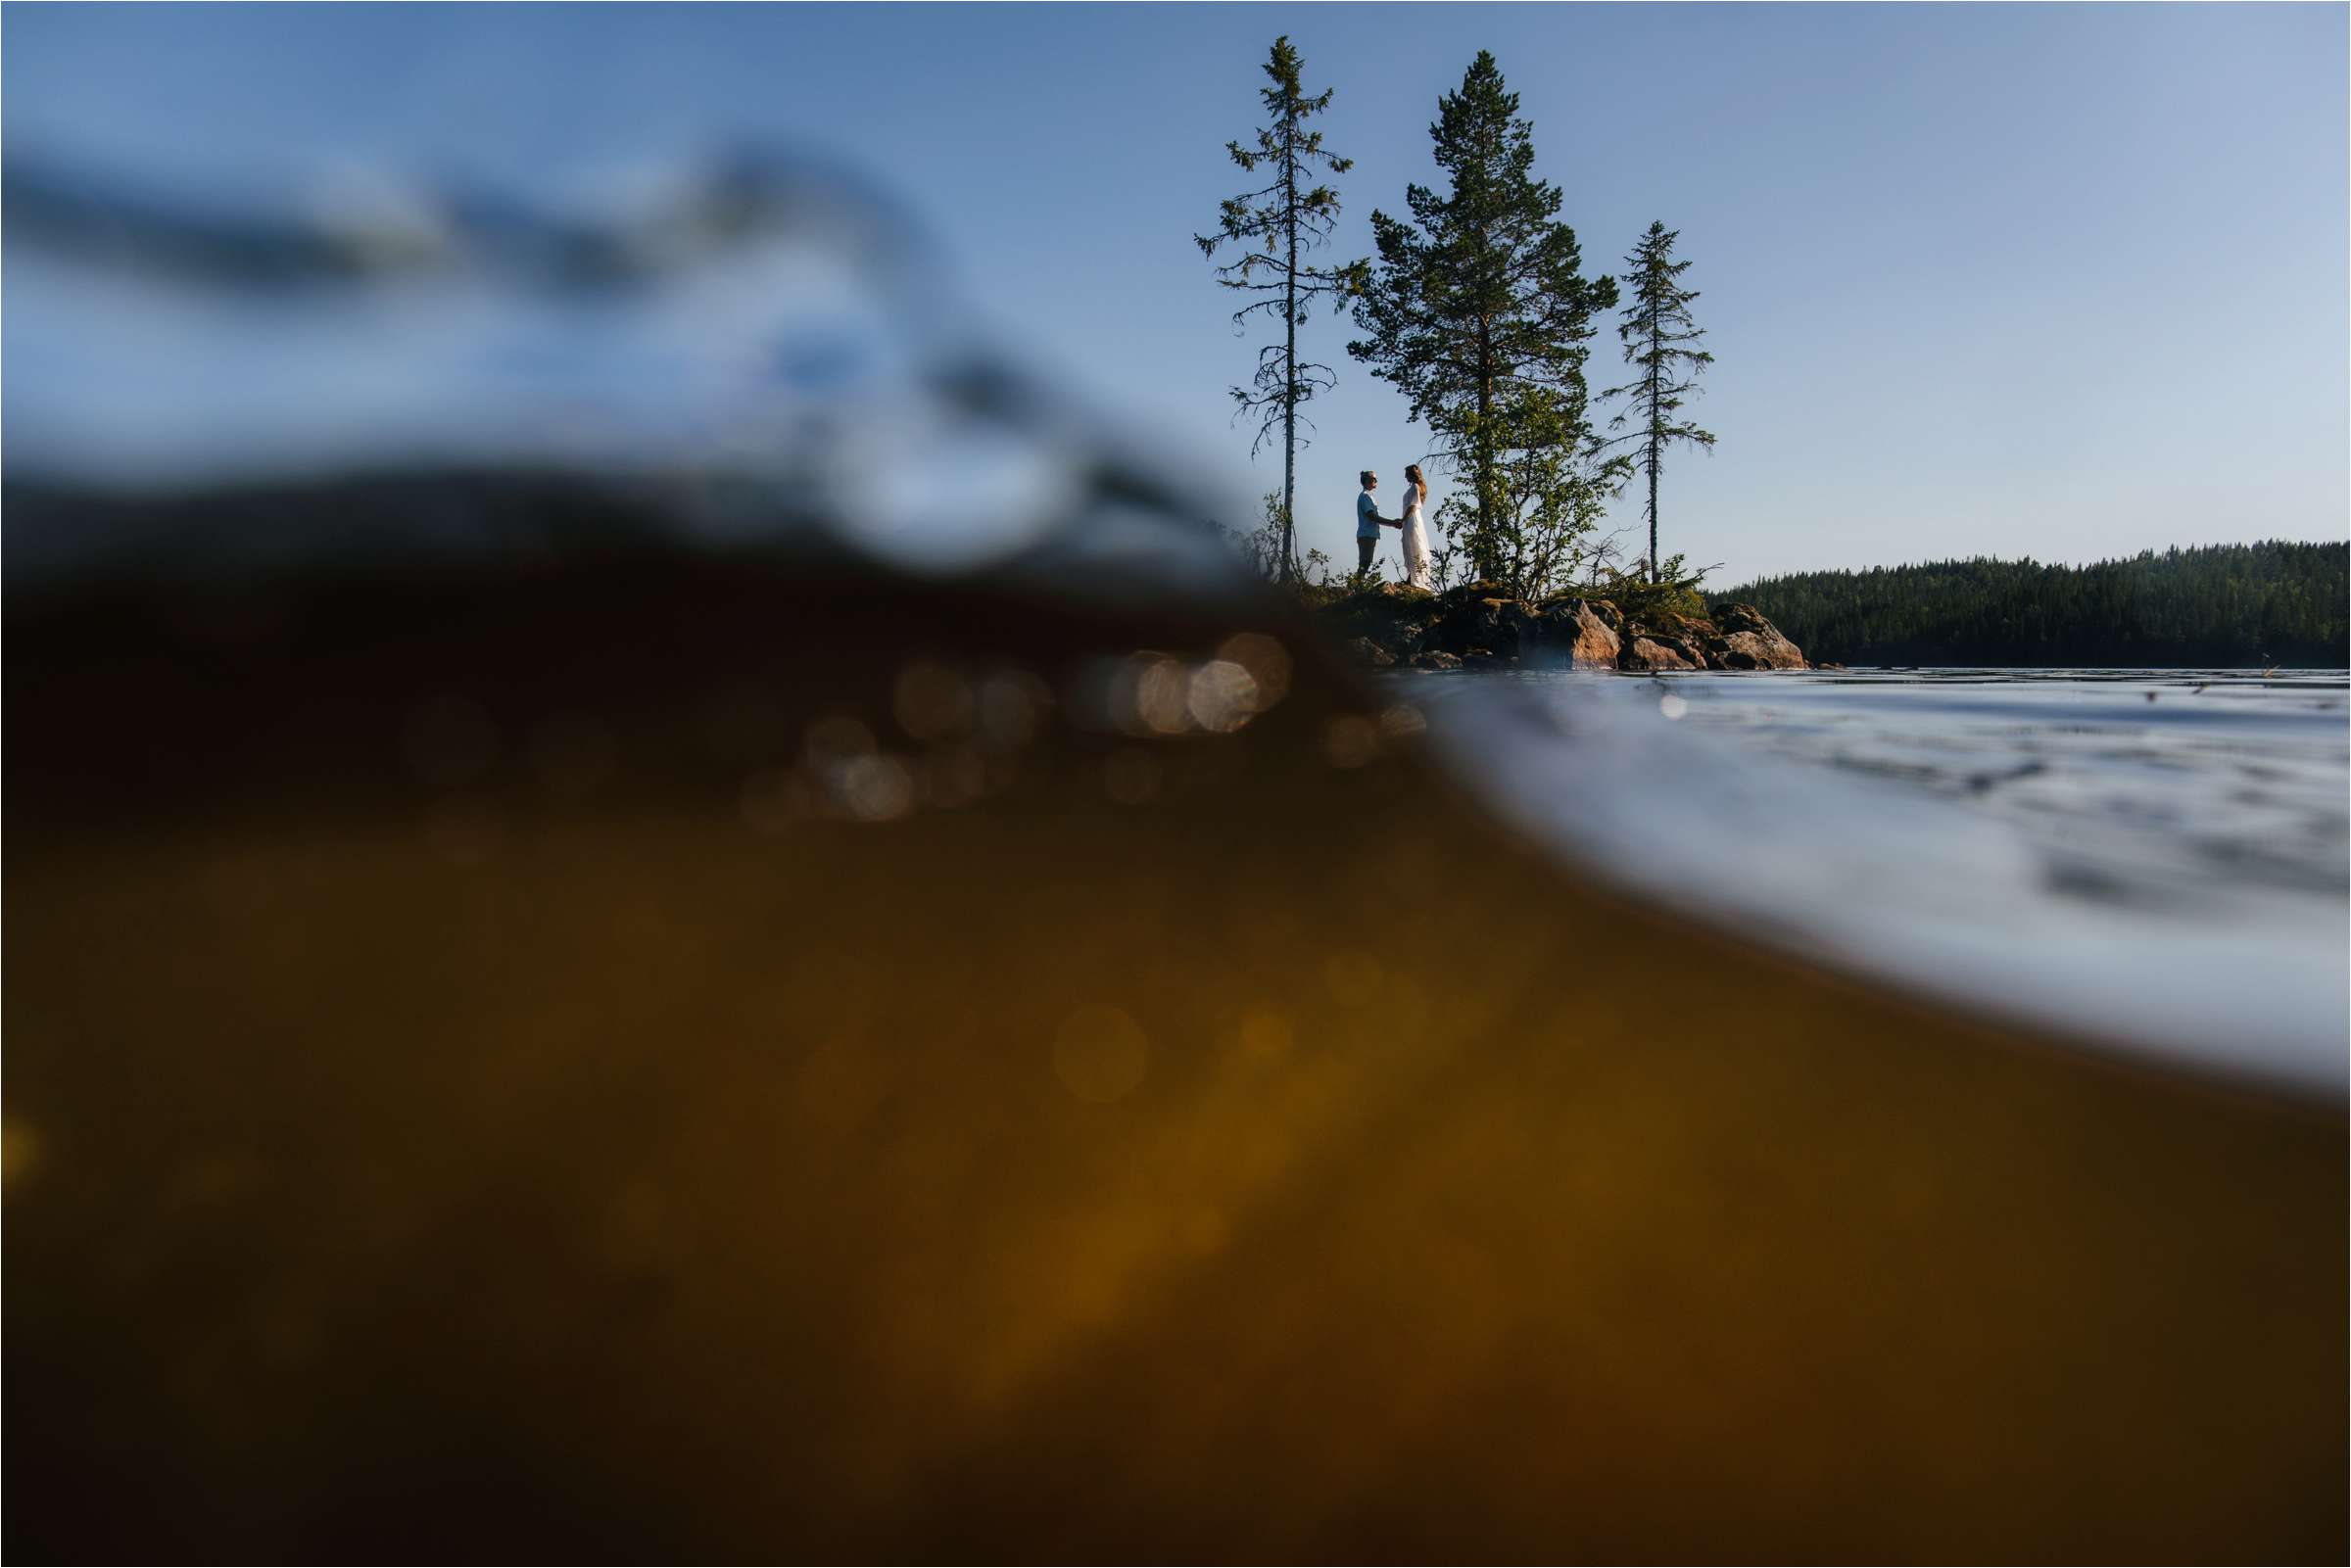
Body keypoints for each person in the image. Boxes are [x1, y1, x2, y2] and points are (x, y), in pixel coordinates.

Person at [1355, 470, 1399, 575]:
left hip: (1370, 534)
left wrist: (1392, 523)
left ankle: (1357, 586)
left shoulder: (1370, 496)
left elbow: (1375, 518)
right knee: (1364, 563)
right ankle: (1355, 587)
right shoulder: (1365, 496)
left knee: (1366, 563)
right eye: (1373, 479)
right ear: (1366, 480)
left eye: (1375, 479)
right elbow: (1372, 517)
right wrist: (1392, 523)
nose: (1375, 481)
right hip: (1366, 534)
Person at [1399, 463, 1432, 590]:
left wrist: (1403, 520)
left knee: (1414, 545)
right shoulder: (1414, 487)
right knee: (1411, 545)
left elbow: (1412, 506)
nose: (1405, 476)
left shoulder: (1415, 487)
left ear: (1411, 474)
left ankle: (1415, 578)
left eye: (1406, 474)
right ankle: (1412, 576)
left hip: (1412, 519)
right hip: (1411, 519)